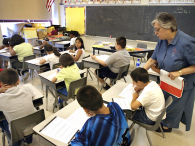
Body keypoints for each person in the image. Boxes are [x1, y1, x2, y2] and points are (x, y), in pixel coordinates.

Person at [143, 12, 195, 132]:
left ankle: (167, 126)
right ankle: (162, 120)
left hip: (181, 83)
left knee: (175, 106)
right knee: (164, 101)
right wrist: (139, 73)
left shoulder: (187, 43)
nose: (155, 33)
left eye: (157, 30)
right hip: (166, 79)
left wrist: (180, 72)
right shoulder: (162, 40)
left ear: (169, 28)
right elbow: (152, 59)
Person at [0, 68, 37, 146]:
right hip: (34, 125)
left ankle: (15, 142)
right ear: (18, 81)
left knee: (2, 120)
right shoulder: (27, 88)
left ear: (1, 83)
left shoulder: (1, 98)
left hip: (16, 133)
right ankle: (28, 140)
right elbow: (33, 95)